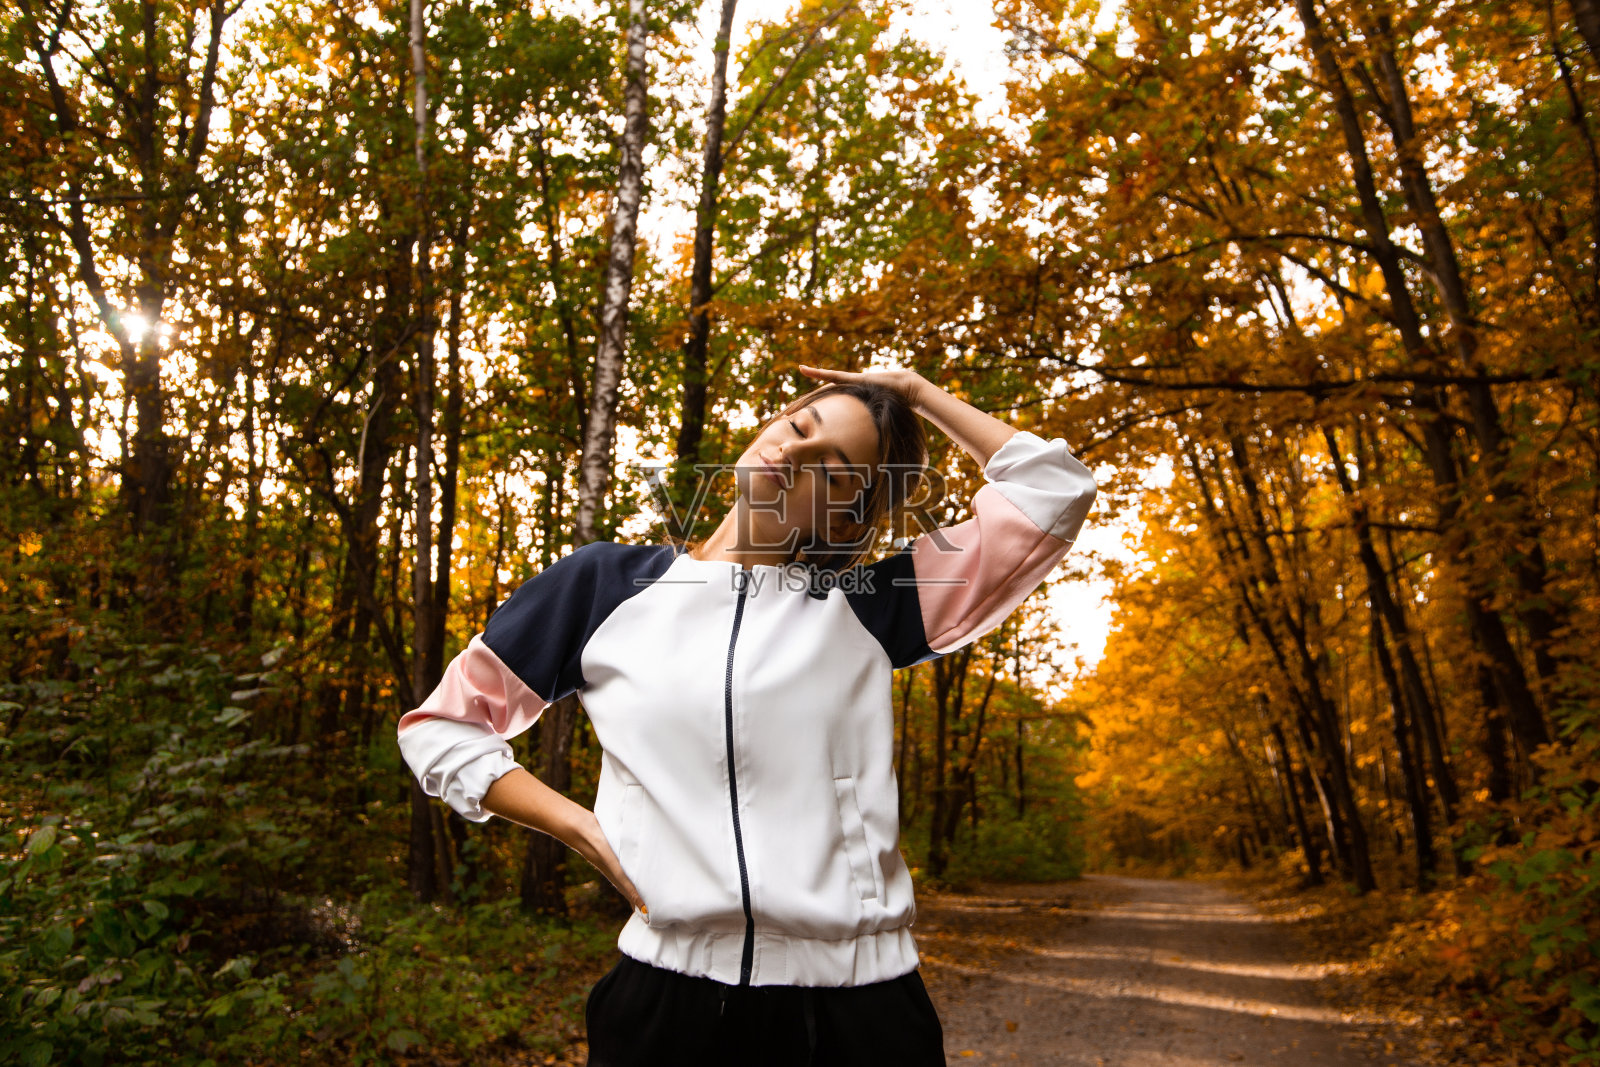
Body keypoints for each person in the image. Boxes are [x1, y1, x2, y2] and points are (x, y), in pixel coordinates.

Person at [397, 364, 1097, 1066]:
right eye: (798, 428)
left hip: (859, 1010)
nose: (792, 455)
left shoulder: (872, 605)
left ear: (850, 512)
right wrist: (577, 825)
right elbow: (442, 728)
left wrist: (914, 392)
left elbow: (1052, 492)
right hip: (664, 1007)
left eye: (832, 468)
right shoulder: (605, 587)